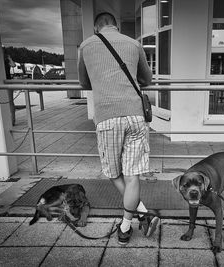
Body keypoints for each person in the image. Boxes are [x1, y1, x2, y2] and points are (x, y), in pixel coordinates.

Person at [77, 12, 158, 245]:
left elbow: (84, 83)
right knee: (132, 176)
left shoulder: (86, 46)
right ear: (117, 25)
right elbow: (147, 79)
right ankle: (130, 222)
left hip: (107, 118)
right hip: (135, 116)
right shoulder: (134, 43)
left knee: (113, 173)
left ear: (96, 28)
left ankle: (138, 216)